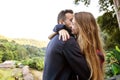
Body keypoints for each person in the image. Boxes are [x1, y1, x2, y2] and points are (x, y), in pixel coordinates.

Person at [53, 12, 105, 80]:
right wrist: (60, 29)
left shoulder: (97, 54)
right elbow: (50, 35)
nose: (71, 26)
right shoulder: (75, 41)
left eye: (73, 24)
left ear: (82, 26)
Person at [43, 9, 90, 80]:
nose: (74, 23)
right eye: (71, 20)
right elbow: (85, 73)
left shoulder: (54, 39)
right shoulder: (67, 39)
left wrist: (59, 28)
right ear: (61, 22)